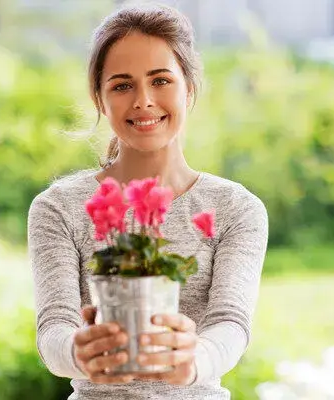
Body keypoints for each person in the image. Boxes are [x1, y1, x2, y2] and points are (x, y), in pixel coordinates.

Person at [28, 3, 268, 399]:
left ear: (188, 88)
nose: (143, 100)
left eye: (160, 81)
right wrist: (78, 351)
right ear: (99, 100)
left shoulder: (236, 209)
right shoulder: (59, 208)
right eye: (122, 85)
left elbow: (231, 324)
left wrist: (194, 359)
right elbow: (54, 327)